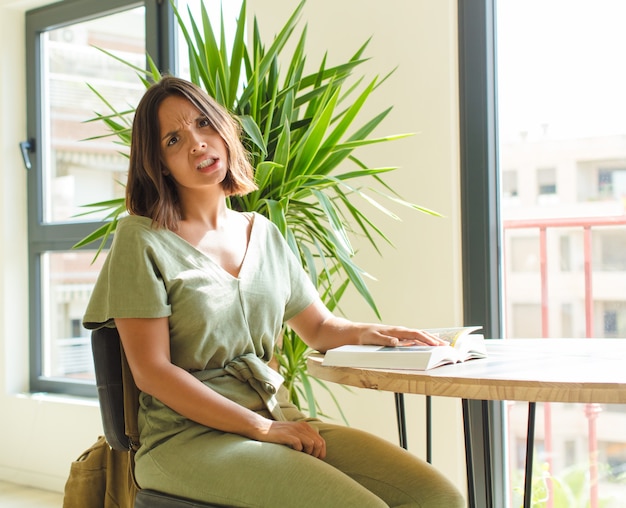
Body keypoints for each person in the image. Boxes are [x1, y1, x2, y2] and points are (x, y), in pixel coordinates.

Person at [83, 76, 465, 508]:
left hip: (274, 412)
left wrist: (379, 333)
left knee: (437, 497)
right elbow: (151, 371)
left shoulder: (262, 233)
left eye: (204, 124)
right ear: (160, 165)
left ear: (225, 131)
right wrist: (259, 428)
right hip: (186, 438)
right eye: (174, 139)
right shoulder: (141, 239)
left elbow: (319, 327)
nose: (197, 144)